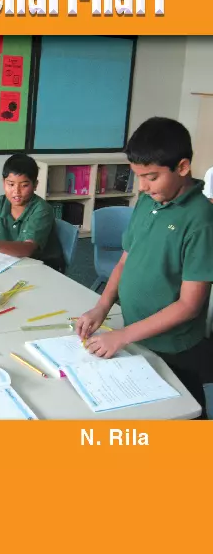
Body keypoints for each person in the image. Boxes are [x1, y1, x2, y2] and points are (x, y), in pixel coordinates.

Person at [77, 117, 213, 419]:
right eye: (138, 176)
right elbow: (125, 260)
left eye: (151, 176)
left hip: (175, 348)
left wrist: (122, 336)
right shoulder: (147, 201)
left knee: (186, 415)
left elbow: (189, 305)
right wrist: (101, 307)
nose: (142, 186)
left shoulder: (202, 220)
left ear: (182, 167)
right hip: (137, 333)